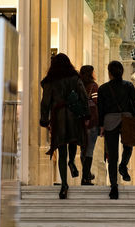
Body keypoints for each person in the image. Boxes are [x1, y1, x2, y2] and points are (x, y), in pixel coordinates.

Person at [40, 53, 89, 199]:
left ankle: (64, 185)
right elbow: (83, 96)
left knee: (62, 149)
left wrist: (44, 119)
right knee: (73, 141)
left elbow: (45, 102)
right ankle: (72, 161)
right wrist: (86, 114)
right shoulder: (75, 78)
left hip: (59, 116)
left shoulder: (50, 81)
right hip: (74, 115)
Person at [97, 61, 135, 199]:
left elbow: (100, 109)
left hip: (110, 121)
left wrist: (101, 126)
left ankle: (114, 186)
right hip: (127, 120)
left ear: (109, 73)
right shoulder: (128, 86)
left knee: (112, 155)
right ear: (122, 72)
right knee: (128, 145)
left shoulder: (103, 89)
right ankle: (123, 165)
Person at [79, 65, 100, 186]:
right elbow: (97, 103)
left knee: (83, 149)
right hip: (92, 121)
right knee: (89, 150)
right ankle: (85, 177)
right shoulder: (93, 86)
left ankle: (86, 174)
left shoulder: (78, 85)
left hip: (80, 122)